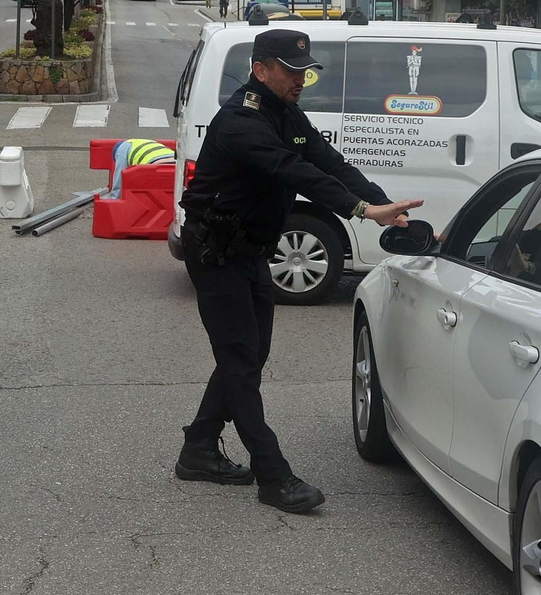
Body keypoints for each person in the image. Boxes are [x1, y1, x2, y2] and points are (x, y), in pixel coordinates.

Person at [176, 29, 422, 514]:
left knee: (248, 357)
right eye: (290, 70)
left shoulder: (285, 112)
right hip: (216, 255)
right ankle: (274, 476)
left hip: (249, 253)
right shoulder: (240, 121)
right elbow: (293, 170)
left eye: (304, 70)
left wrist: (379, 202)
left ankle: (199, 447)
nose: (300, 79)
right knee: (242, 365)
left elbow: (327, 160)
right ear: (261, 69)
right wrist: (356, 210)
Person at [106, 138, 175, 199]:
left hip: (154, 165)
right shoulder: (141, 144)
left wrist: (113, 200)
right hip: (175, 162)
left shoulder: (121, 150)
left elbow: (119, 180)